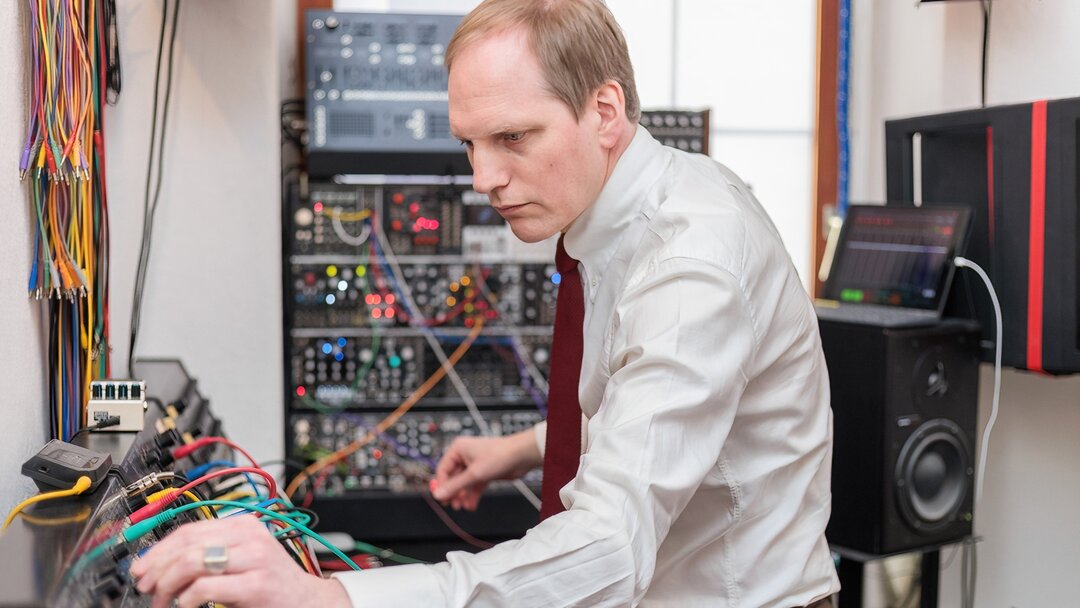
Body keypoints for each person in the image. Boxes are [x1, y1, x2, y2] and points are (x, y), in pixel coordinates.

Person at [130, 1, 840, 606]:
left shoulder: (691, 263)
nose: (484, 178)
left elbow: (610, 547)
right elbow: (657, 403)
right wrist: (525, 448)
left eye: (511, 138)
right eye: (470, 144)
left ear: (604, 110)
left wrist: (337, 595)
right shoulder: (628, 213)